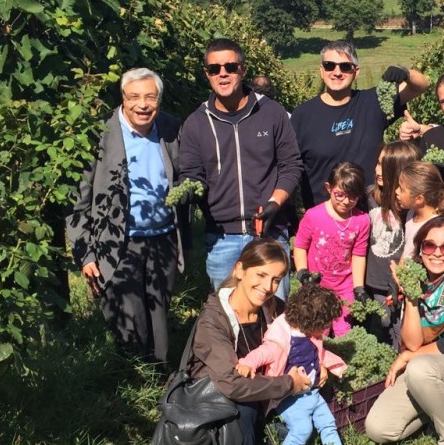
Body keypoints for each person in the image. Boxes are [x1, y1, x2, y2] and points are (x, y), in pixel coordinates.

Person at [67, 68, 183, 365]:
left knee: (159, 315)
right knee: (129, 321)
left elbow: (183, 176)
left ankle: (160, 378)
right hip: (117, 243)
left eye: (150, 97)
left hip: (163, 239)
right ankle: (133, 380)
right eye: (134, 97)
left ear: (159, 99)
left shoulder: (170, 128)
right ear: (123, 98)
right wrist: (85, 253)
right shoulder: (100, 134)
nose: (142, 105)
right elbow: (78, 202)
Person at [179, 38, 302, 296]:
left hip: (269, 234)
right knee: (229, 321)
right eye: (215, 69)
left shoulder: (271, 113)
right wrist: (189, 189)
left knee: (274, 317)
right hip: (222, 238)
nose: (222, 73)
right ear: (207, 74)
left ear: (242, 70)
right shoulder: (196, 123)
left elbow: (291, 166)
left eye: (230, 67)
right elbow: (192, 173)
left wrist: (275, 203)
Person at [364, 216, 444, 444]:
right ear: (420, 249)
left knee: (418, 367)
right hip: (428, 370)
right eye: (429, 245)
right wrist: (412, 299)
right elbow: (414, 344)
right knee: (378, 428)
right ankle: (436, 404)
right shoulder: (419, 282)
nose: (437, 253)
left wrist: (408, 356)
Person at [188, 239, 310, 445]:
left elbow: (303, 338)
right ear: (240, 270)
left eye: (276, 279)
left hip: (264, 392)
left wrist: (318, 362)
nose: (267, 287)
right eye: (261, 275)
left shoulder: (275, 308)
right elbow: (232, 385)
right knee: (243, 410)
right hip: (217, 401)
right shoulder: (213, 321)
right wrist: (290, 384)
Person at [291, 40, 430, 208]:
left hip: (371, 213)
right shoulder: (302, 115)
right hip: (324, 220)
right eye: (329, 65)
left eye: (345, 67)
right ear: (321, 71)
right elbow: (290, 166)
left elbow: (421, 86)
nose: (337, 72)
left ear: (356, 72)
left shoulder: (373, 102)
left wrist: (405, 72)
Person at [235, 284, 347, 445]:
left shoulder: (311, 335)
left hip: (313, 394)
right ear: (312, 323)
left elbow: (319, 354)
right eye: (324, 325)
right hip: (290, 398)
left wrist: (335, 366)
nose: (326, 329)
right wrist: (247, 363)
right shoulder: (282, 339)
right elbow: (262, 352)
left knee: (328, 423)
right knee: (302, 429)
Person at [293, 162, 370, 337]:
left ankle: (341, 363)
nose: (346, 201)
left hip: (345, 286)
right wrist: (303, 272)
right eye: (340, 195)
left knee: (345, 332)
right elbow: (300, 246)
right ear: (329, 188)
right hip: (318, 285)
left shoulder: (362, 220)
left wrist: (359, 288)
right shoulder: (313, 215)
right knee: (320, 330)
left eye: (352, 197)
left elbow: (359, 255)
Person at [366, 141, 419, 346]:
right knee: (378, 329)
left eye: (384, 166)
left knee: (398, 331)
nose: (377, 170)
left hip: (399, 282)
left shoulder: (410, 205)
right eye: (377, 163)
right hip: (374, 280)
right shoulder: (370, 196)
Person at [396, 161, 444, 259]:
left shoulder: (433, 228)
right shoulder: (412, 213)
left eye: (401, 189)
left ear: (419, 199)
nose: (396, 191)